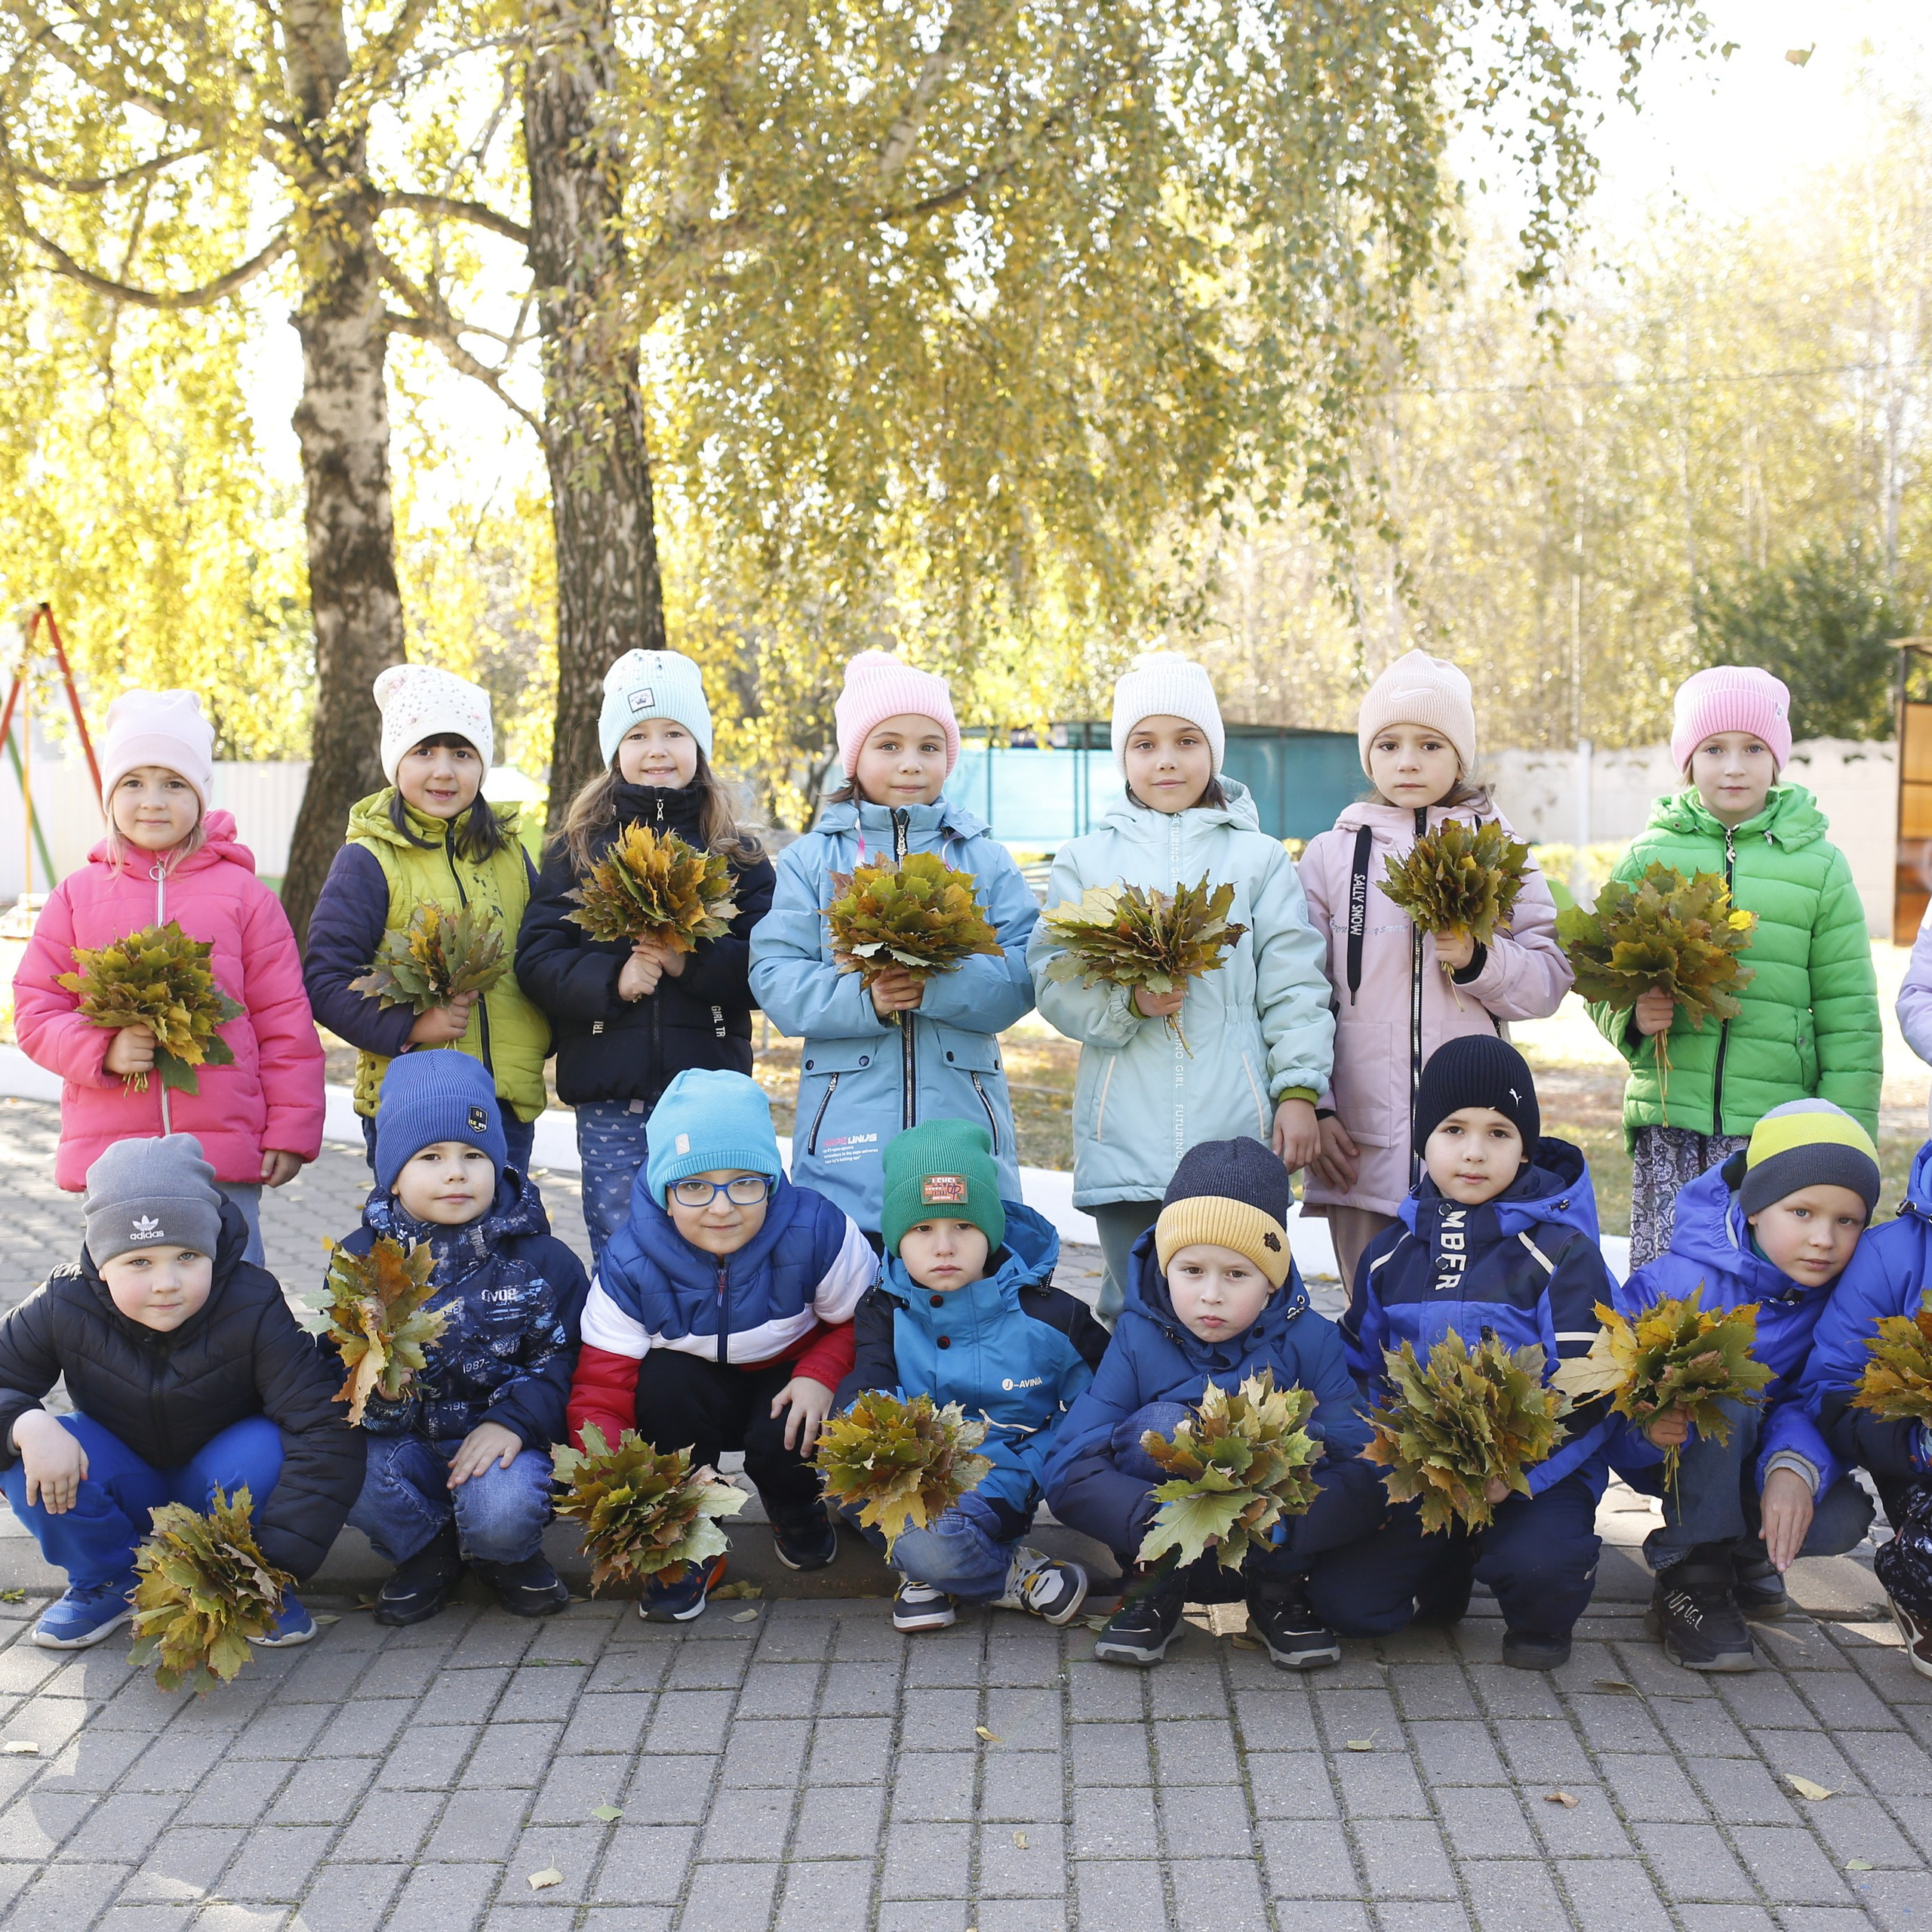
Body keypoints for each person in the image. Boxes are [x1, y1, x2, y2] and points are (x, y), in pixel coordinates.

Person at [1029, 655, 1334, 1323]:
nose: (1166, 760)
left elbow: (1295, 983)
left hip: (1235, 1135)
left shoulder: (1258, 860)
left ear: (1213, 751)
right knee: (1134, 1309)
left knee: (1239, 1307)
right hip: (1124, 1134)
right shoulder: (1085, 860)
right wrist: (1128, 1004)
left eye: (1186, 741)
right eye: (1145, 744)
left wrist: (1299, 1092)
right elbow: (1054, 976)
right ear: (1123, 757)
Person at [1311, 1037, 1620, 1671]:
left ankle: (1540, 1604)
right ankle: (1446, 1567)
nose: (1474, 1151)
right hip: (1426, 1471)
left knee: (1539, 1569)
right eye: (1453, 1130)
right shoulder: (1390, 1253)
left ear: (1525, 1147)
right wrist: (1363, 1454)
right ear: (1424, 1142)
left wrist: (1520, 1470)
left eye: (1499, 1133)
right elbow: (1359, 1368)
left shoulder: (1560, 1252)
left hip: (1534, 1474)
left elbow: (1592, 1387)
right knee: (1347, 1606)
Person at [0, 1136, 362, 1649]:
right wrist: (26, 1424)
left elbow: (324, 1426)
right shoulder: (64, 1301)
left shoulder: (253, 1301)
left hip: (220, 1480)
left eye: (187, 1256)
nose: (166, 1282)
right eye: (139, 1262)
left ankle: (251, 1584)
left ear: (212, 1250)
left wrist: (277, 1564)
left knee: (273, 1442)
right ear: (101, 1263)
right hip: (125, 1477)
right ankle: (109, 1580)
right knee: (27, 1452)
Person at [1045, 1137, 1384, 1670]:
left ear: (1271, 1281)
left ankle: (1277, 1599)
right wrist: (1151, 1519)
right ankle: (1153, 1596)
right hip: (1165, 1541)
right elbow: (1071, 1463)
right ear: (1165, 1268)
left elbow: (1364, 1461)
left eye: (1236, 1274)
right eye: (1192, 1270)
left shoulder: (1312, 1340)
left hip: (1272, 1544)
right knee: (1159, 1427)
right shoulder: (1137, 1337)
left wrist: (1289, 1525)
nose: (1211, 1294)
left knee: (1310, 1439)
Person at [14, 690, 322, 1264]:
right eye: (133, 782)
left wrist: (290, 1130)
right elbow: (35, 1011)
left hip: (220, 1157)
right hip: (116, 1163)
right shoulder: (77, 897)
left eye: (174, 783)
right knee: (127, 1303)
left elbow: (284, 1022)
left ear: (200, 797)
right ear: (110, 796)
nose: (153, 801)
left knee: (235, 1296)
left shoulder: (245, 897)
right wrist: (101, 1049)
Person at [1588, 666, 1880, 1268]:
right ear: (1688, 760)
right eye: (1714, 749)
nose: (1734, 767)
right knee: (1666, 1282)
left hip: (1775, 1128)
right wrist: (1633, 1018)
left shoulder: (1820, 867)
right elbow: (1599, 974)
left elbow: (1849, 1013)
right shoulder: (1647, 856)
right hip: (1670, 1119)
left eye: (1753, 749)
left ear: (1777, 759)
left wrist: (1844, 1135)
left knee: (1757, 1283)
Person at [1298, 651, 1570, 1296]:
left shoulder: (1501, 853)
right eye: (1388, 744)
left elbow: (1549, 978)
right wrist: (1320, 1106)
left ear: (1460, 756)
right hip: (1359, 1145)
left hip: (1473, 1151)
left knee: (1462, 1321)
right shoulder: (1330, 856)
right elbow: (1303, 993)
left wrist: (1480, 961)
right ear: (1369, 756)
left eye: (1430, 744)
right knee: (1370, 1315)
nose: (1408, 761)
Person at [749, 651, 1038, 1235]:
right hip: (846, 1130)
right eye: (889, 745)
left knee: (957, 1263)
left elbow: (1026, 973)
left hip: (961, 1119)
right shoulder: (812, 860)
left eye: (930, 747)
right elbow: (775, 975)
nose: (911, 763)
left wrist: (937, 986)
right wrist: (868, 998)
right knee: (853, 1273)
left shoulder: (983, 859)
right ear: (855, 756)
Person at [570, 1069, 874, 1619]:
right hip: (693, 1392)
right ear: (664, 1192)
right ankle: (687, 1529)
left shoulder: (817, 1230)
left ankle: (793, 1500)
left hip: (785, 1375)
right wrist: (621, 1488)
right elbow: (600, 1387)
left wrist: (822, 1372)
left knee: (793, 1417)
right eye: (694, 1186)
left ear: (771, 1182)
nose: (721, 1207)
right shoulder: (630, 1260)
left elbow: (866, 1322)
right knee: (661, 1382)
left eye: (745, 1182)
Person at [517, 650, 777, 1264]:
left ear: (699, 745)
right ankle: (627, 1328)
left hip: (710, 1090)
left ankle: (709, 1326)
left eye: (674, 733)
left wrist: (692, 963)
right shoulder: (579, 850)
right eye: (637, 736)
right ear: (615, 751)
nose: (657, 750)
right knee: (622, 1239)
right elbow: (538, 958)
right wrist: (613, 979)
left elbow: (768, 965)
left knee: (713, 1238)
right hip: (612, 1093)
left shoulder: (735, 854)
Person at [1616, 1100, 1879, 1672]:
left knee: (1843, 1517)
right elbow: (1609, 1397)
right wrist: (1645, 1430)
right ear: (1755, 1208)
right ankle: (1691, 1575)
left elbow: (1819, 1399)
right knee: (1727, 1390)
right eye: (1802, 1212)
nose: (1824, 1239)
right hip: (1674, 1452)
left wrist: (1792, 1466)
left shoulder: (1844, 1299)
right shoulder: (1679, 1282)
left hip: (1757, 1453)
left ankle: (1738, 1554)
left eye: (1847, 1220)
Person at [340, 1051, 587, 1625]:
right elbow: (339, 1365)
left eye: (474, 1155)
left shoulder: (541, 1260)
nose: (456, 1173)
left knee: (502, 1510)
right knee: (346, 1470)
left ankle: (506, 1557)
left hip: (506, 1446)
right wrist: (381, 1396)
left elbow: (569, 1358)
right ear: (393, 1175)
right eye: (430, 1157)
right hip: (404, 1444)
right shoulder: (361, 1263)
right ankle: (426, 1554)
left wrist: (515, 1422)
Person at [835, 1118, 1109, 1631]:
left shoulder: (1051, 1316)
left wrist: (1043, 1457)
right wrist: (863, 1437)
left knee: (935, 1539)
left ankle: (946, 1567)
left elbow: (1107, 1397)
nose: (944, 1247)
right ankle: (986, 1573)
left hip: (1000, 1476)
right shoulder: (884, 1309)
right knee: (836, 1475)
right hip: (912, 1475)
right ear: (896, 1238)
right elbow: (870, 1379)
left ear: (990, 1230)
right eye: (922, 1229)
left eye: (963, 1226)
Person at [303, 665, 551, 1177]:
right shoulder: (368, 860)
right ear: (396, 762)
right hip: (413, 1102)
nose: (444, 771)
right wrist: (413, 1025)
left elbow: (540, 955)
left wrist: (548, 1034)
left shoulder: (510, 856)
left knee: (505, 1227)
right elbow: (327, 981)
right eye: (424, 751)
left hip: (505, 1102)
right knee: (420, 1230)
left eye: (462, 753)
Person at [1801, 1132, 1932, 1679]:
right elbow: (1834, 1388)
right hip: (1919, 1462)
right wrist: (1917, 1441)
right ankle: (1913, 1576)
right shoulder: (1894, 1253)